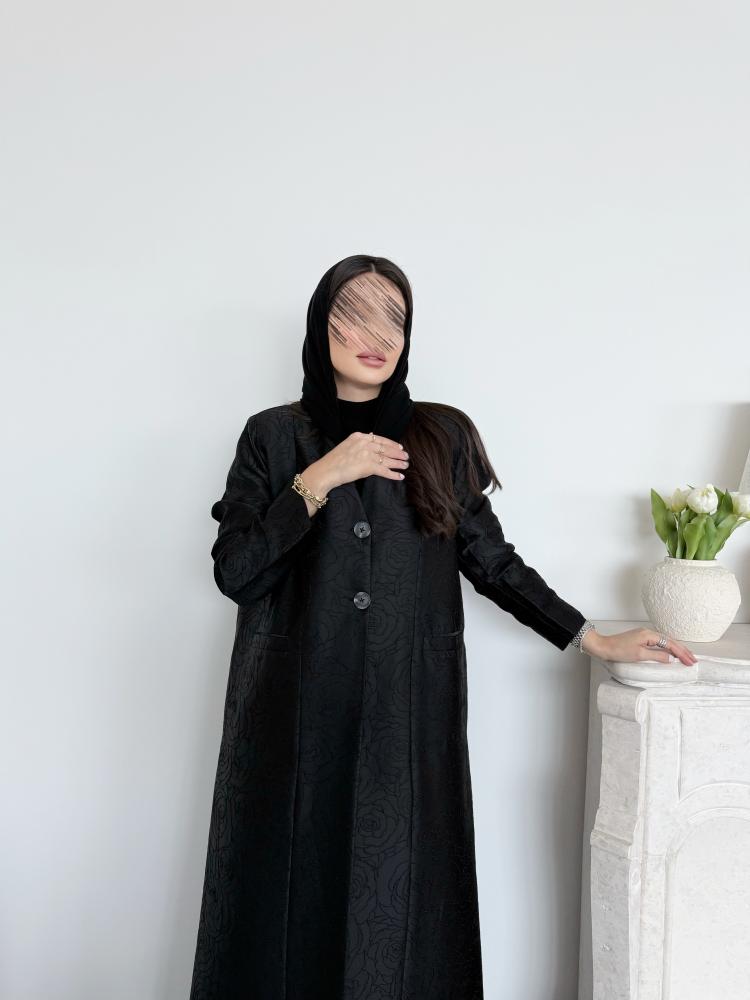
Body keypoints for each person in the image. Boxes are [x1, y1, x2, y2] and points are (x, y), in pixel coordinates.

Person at [189, 254, 696, 1000]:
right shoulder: (272, 437)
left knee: (401, 905)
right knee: (291, 901)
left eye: (393, 319)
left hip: (406, 710)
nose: (376, 335)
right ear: (319, 325)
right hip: (294, 715)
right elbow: (237, 572)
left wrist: (590, 636)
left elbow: (493, 561)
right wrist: (320, 479)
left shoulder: (441, 435)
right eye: (355, 314)